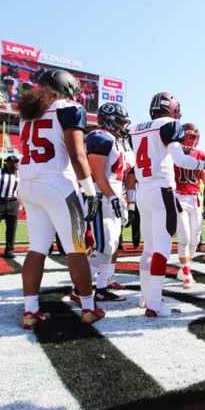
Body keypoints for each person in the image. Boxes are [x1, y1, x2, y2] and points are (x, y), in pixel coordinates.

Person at [17, 68, 104, 329]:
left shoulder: (26, 114)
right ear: (66, 87)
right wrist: (89, 191)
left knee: (37, 248)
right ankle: (88, 307)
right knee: (77, 248)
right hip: (57, 184)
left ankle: (30, 311)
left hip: (29, 185)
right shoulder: (67, 107)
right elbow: (78, 155)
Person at [128, 92, 205, 317]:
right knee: (162, 250)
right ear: (172, 108)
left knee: (148, 249)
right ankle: (155, 304)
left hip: (143, 191)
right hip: (162, 190)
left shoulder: (135, 128)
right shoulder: (170, 124)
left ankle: (145, 298)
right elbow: (180, 160)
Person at [86, 102, 135, 301]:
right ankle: (79, 287)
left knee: (112, 245)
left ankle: (101, 287)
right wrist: (113, 197)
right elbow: (98, 175)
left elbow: (127, 175)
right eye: (121, 122)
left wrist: (125, 201)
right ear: (110, 120)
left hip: (113, 196)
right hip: (101, 195)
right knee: (104, 246)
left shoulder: (118, 141)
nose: (124, 126)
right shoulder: (99, 137)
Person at [173, 123, 205, 288]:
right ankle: (186, 274)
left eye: (193, 137)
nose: (189, 140)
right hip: (178, 197)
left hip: (195, 198)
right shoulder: (173, 152)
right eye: (187, 136)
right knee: (184, 236)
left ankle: (185, 267)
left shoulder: (201, 155)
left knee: (195, 239)